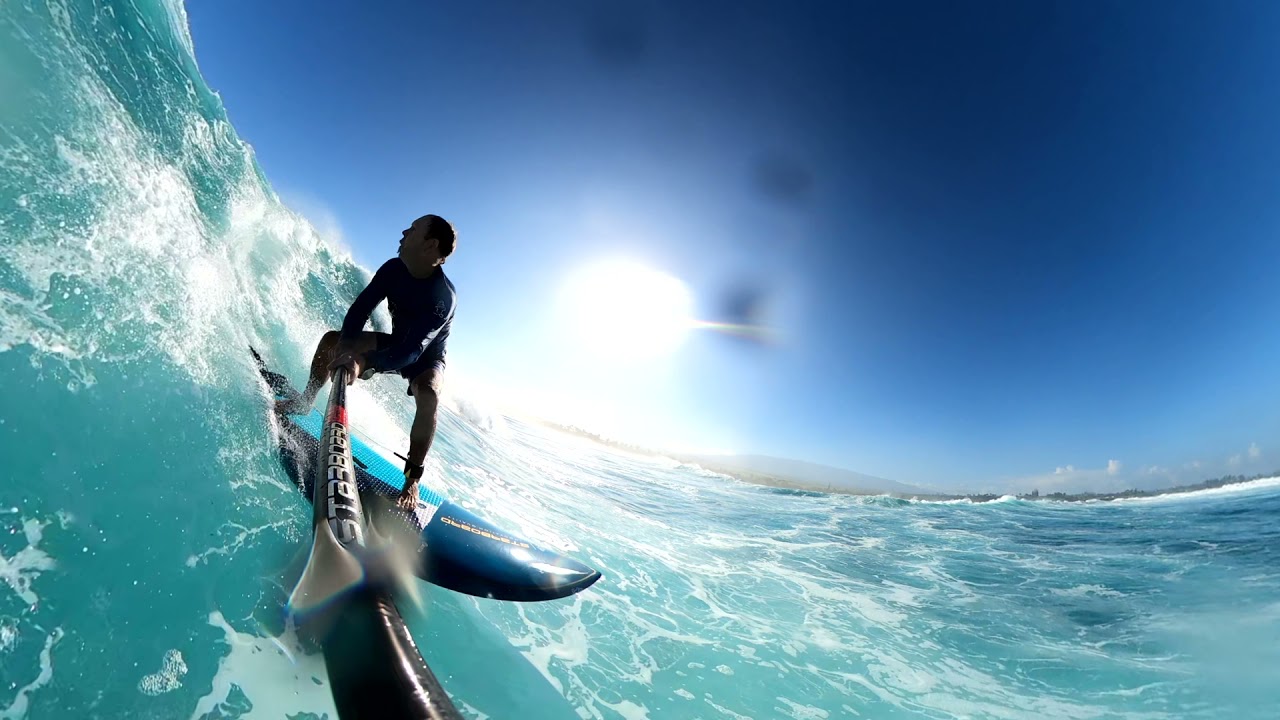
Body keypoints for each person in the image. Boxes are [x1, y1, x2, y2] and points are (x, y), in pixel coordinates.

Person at [277, 214, 457, 510]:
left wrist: (362, 364)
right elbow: (360, 310)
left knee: (430, 395)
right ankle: (306, 400)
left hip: (425, 358)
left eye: (412, 229)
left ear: (430, 245)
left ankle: (412, 480)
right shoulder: (393, 269)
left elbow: (412, 351)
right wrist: (346, 348)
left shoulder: (443, 298)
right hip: (398, 341)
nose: (404, 232)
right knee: (331, 340)